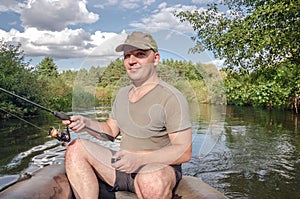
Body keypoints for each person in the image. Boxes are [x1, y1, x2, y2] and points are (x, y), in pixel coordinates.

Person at [63, 31, 192, 199]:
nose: (131, 61)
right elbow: (110, 130)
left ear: (156, 58)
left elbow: (184, 151)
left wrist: (138, 159)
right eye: (127, 56)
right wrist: (85, 123)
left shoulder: (171, 97)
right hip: (123, 165)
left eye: (140, 54)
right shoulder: (122, 94)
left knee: (150, 180)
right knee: (76, 148)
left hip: (157, 168)